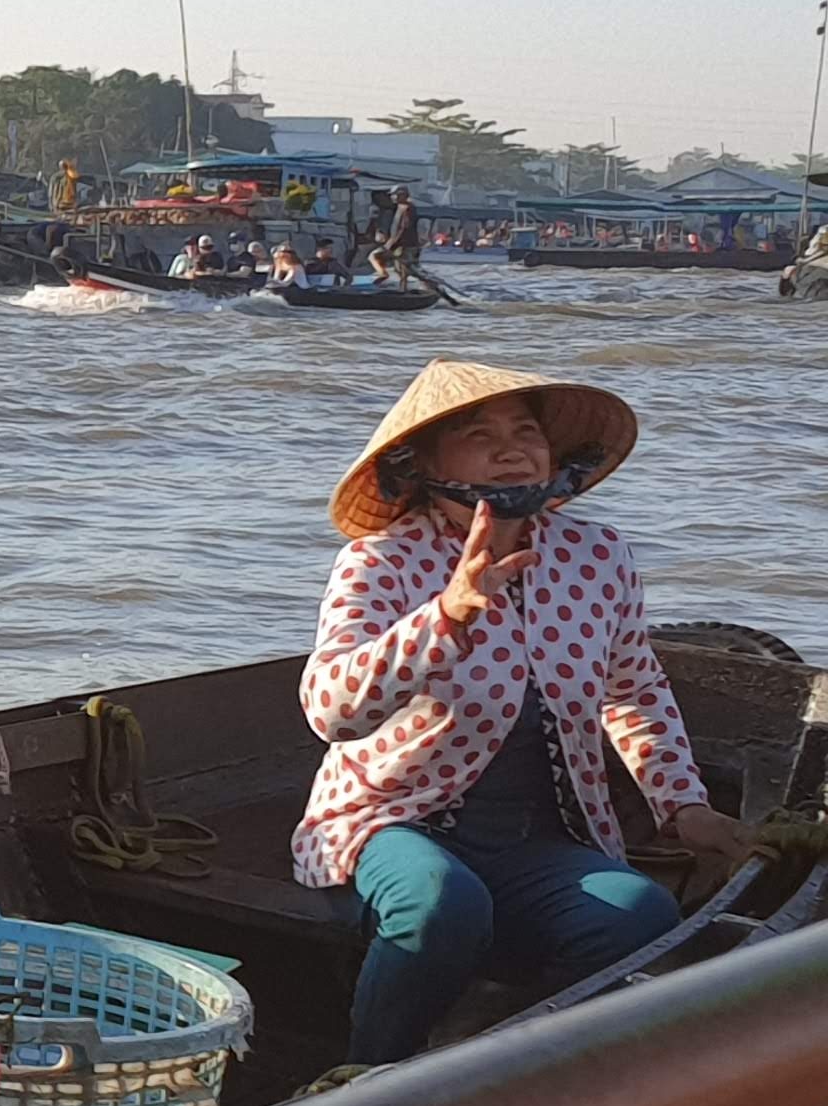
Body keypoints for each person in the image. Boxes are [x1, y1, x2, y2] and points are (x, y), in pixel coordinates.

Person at [296, 361, 754, 1064]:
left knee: (638, 914)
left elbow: (632, 689)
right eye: (480, 436)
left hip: (537, 838)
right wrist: (446, 617)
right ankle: (367, 1077)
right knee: (441, 904)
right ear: (425, 466)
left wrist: (682, 805)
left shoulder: (596, 555)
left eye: (527, 433)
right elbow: (331, 711)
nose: (512, 451)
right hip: (392, 820)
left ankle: (509, 1062)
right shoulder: (379, 562)